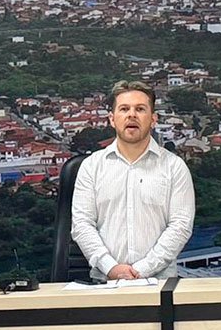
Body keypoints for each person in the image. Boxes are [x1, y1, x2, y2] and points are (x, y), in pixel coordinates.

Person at [71, 81, 195, 281]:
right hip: (104, 283)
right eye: (124, 109)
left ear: (153, 119)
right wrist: (110, 267)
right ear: (112, 119)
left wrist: (141, 271)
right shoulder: (91, 166)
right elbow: (82, 224)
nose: (131, 115)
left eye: (140, 109)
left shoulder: (175, 167)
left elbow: (180, 227)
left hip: (159, 284)